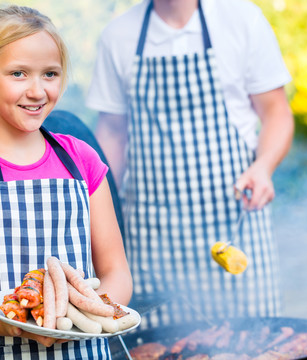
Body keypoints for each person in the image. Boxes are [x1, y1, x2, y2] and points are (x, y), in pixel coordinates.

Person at [0, 5, 132, 359]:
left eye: (50, 74)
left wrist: (80, 316)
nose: (36, 91)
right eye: (18, 73)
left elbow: (117, 273)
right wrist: (9, 322)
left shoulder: (83, 161)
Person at [85, 0, 294, 327]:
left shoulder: (242, 19)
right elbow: (112, 133)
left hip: (235, 226)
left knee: (253, 341)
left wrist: (263, 166)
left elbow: (277, 113)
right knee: (160, 345)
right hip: (152, 240)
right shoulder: (119, 35)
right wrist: (96, 217)